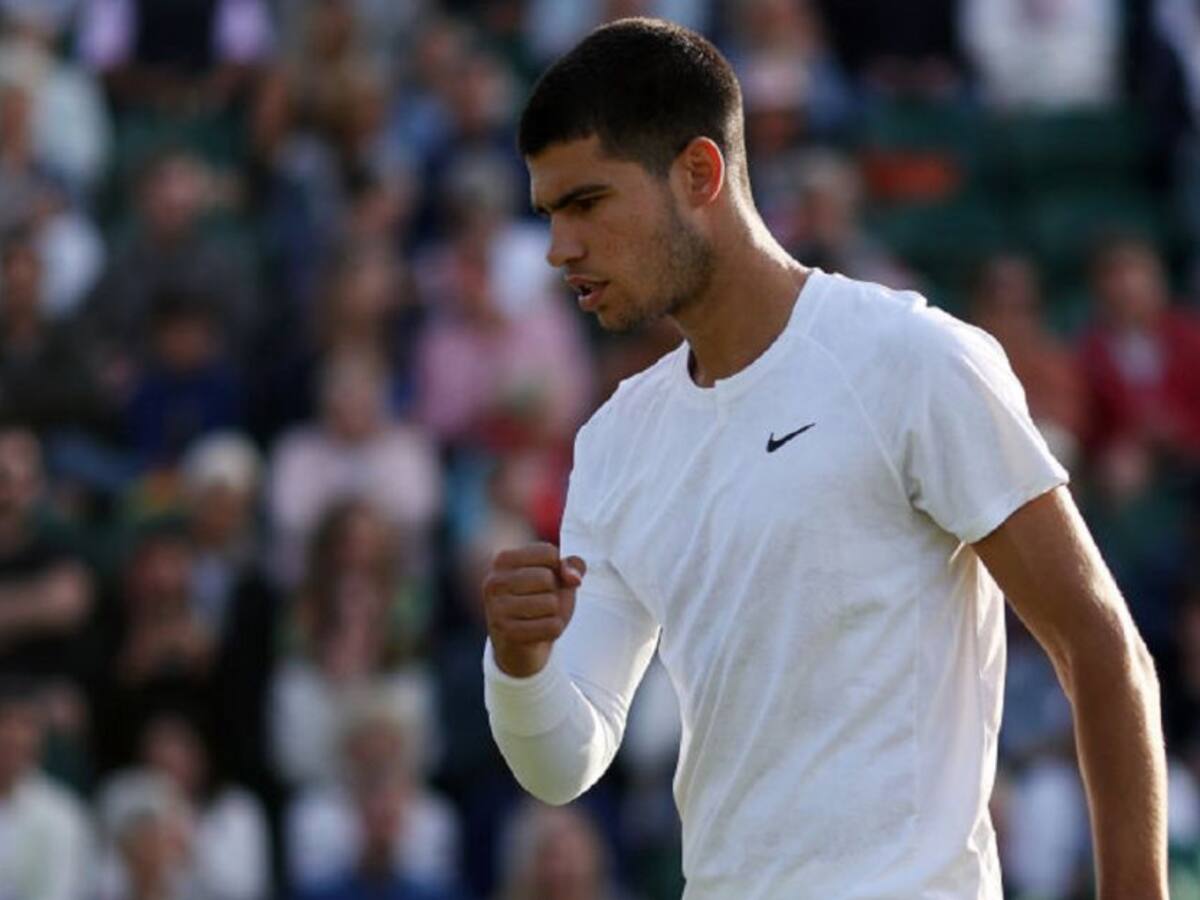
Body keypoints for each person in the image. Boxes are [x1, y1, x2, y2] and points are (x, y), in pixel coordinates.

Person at [480, 18, 1166, 899]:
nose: (558, 248)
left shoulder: (912, 359)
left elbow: (1100, 646)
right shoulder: (615, 441)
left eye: (587, 204)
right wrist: (520, 665)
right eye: (547, 213)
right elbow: (566, 762)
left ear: (700, 174)